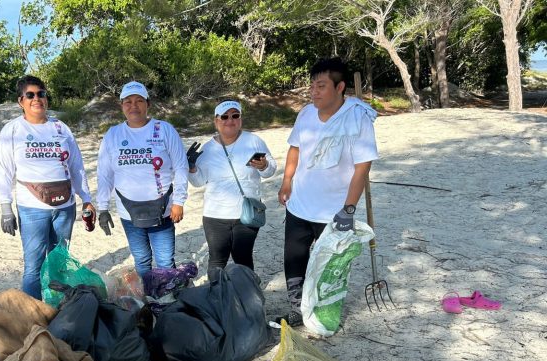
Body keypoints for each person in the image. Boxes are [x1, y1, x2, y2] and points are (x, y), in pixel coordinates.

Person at [277, 57, 378, 326]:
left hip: (333, 212)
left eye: (321, 86)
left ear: (340, 87)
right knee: (294, 258)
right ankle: (296, 308)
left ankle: (321, 313)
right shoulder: (306, 114)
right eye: (312, 86)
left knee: (329, 267)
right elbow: (295, 148)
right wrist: (287, 181)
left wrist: (349, 209)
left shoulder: (357, 119)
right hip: (299, 203)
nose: (314, 91)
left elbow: (362, 168)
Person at [0, 75, 94, 300]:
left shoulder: (61, 128)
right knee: (34, 266)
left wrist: (86, 198)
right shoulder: (12, 130)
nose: (36, 99)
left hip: (65, 207)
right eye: (30, 95)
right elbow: (3, 170)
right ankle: (32, 316)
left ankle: (57, 307)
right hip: (32, 208)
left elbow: (76, 166)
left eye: (41, 94)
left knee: (59, 261)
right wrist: (5, 207)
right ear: (21, 101)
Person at [96, 81, 188, 277]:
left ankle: (167, 301)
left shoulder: (164, 129)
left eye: (139, 101)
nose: (133, 106)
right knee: (142, 259)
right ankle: (148, 298)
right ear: (121, 106)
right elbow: (104, 174)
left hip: (162, 209)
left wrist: (178, 202)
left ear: (148, 104)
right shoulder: (113, 135)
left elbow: (181, 166)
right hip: (128, 212)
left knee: (165, 260)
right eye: (127, 101)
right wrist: (103, 208)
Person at [187, 100, 277, 281]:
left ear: (240, 119)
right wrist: (191, 168)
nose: (230, 120)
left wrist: (264, 165)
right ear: (216, 121)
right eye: (225, 116)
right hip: (215, 215)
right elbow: (198, 182)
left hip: (247, 214)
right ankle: (217, 297)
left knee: (243, 258)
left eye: (235, 116)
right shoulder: (208, 148)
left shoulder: (254, 141)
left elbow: (270, 171)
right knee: (217, 260)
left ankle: (248, 298)